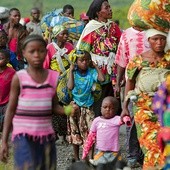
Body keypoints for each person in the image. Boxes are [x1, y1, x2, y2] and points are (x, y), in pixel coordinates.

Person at [0, 34, 78, 169]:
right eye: (32, 51)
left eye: (41, 51)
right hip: (23, 136)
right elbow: (11, 110)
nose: (36, 55)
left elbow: (53, 106)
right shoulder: (19, 77)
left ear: (46, 53)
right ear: (24, 53)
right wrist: (4, 141)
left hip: (46, 135)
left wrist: (67, 110)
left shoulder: (53, 77)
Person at [121, 28, 170, 169]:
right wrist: (125, 107)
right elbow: (130, 82)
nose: (159, 43)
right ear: (148, 40)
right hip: (143, 107)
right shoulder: (138, 60)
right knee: (149, 145)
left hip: (165, 108)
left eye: (162, 39)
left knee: (165, 144)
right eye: (155, 39)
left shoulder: (168, 60)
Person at [76, 0, 122, 117]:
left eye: (110, 7)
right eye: (106, 8)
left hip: (113, 72)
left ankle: (111, 129)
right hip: (96, 73)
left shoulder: (113, 27)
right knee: (99, 102)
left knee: (112, 101)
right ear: (98, 12)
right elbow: (83, 52)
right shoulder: (91, 28)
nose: (110, 9)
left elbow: (121, 46)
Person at [114, 26, 150, 167]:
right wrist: (118, 82)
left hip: (152, 87)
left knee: (149, 122)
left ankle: (147, 155)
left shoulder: (156, 32)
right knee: (132, 121)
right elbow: (122, 60)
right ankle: (133, 155)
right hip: (133, 85)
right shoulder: (127, 34)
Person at [67, 50, 105, 161]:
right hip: (75, 106)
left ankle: (90, 156)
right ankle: (76, 157)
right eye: (81, 60)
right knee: (75, 131)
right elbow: (70, 87)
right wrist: (70, 71)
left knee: (90, 132)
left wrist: (96, 67)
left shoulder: (91, 72)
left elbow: (102, 79)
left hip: (88, 106)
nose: (85, 62)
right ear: (76, 62)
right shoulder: (73, 74)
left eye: (87, 60)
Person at [43, 25, 74, 143]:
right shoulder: (50, 48)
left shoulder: (70, 47)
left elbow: (72, 63)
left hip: (66, 80)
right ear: (56, 35)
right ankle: (55, 133)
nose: (66, 36)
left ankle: (66, 134)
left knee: (66, 103)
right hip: (54, 80)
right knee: (56, 105)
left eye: (67, 34)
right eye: (63, 34)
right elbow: (46, 65)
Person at [82, 96, 130, 166]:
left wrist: (127, 120)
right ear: (101, 108)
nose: (108, 109)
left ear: (116, 110)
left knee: (116, 167)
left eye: (112, 108)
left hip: (114, 152)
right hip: (100, 152)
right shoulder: (96, 121)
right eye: (105, 107)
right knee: (101, 167)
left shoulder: (116, 119)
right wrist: (85, 152)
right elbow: (91, 137)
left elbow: (124, 118)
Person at [0, 49, 15, 132]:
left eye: (1, 58)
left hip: (6, 103)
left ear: (7, 60)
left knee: (5, 124)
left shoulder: (12, 73)